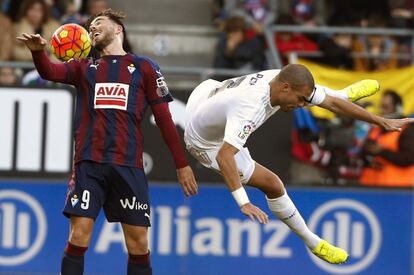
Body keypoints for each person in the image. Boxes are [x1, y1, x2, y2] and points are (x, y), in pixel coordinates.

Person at [17, 9, 198, 275]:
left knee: (138, 242)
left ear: (118, 30)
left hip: (128, 166)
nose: (93, 28)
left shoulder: (145, 67)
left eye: (99, 23)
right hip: (89, 164)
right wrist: (37, 52)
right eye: (90, 27)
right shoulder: (84, 67)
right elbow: (51, 71)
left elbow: (164, 119)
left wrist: (182, 164)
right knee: (79, 235)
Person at [184, 64, 414, 264]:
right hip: (204, 142)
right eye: (300, 100)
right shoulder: (250, 108)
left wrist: (380, 121)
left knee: (332, 99)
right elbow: (225, 156)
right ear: (285, 88)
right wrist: (243, 202)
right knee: (273, 184)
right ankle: (312, 242)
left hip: (206, 93)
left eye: (306, 99)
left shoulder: (282, 79)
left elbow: (331, 105)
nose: (302, 105)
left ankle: (344, 94)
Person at [360, 90, 414, 186]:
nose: (382, 110)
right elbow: (363, 153)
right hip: (370, 187)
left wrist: (381, 151)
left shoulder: (407, 129)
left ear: (397, 108)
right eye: (382, 107)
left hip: (397, 188)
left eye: (386, 107)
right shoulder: (376, 129)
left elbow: (409, 158)